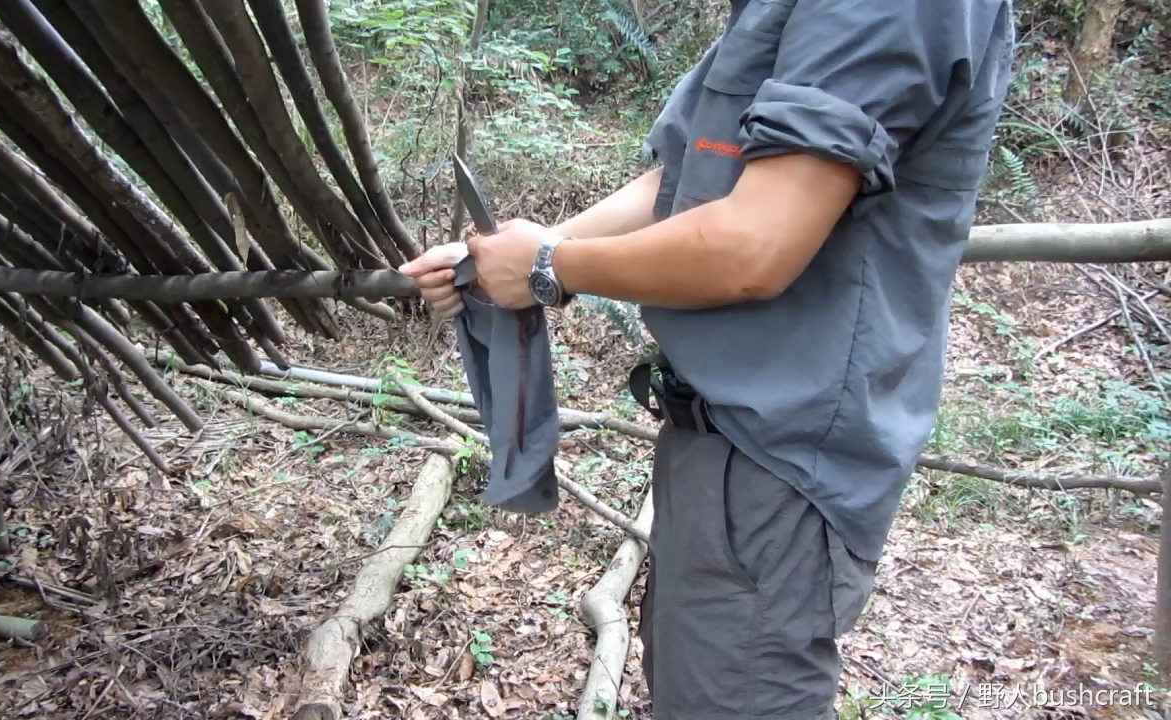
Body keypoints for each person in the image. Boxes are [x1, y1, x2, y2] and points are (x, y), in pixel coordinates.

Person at [400, 0, 1015, 716]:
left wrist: (548, 266)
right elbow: (679, 182)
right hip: (714, 442)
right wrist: (512, 260)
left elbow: (758, 243)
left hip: (781, 463)